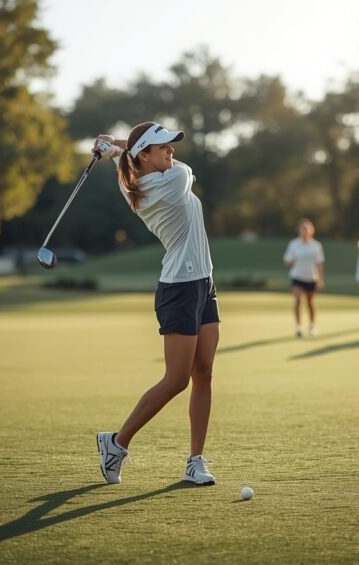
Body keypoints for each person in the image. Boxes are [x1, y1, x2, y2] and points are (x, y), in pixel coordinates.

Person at [91, 122, 218, 486]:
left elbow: (130, 156)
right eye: (163, 146)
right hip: (180, 288)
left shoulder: (135, 179)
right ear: (143, 155)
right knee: (177, 380)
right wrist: (116, 146)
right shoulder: (170, 184)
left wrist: (115, 146)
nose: (172, 151)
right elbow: (183, 170)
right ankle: (117, 442)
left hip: (203, 282)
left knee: (204, 372)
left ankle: (196, 460)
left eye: (170, 145)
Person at [284, 219, 325, 337]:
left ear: (311, 231)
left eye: (307, 228)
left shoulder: (316, 246)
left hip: (311, 277)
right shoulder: (293, 244)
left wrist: (320, 278)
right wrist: (291, 260)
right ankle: (298, 327)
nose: (304, 231)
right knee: (297, 299)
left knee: (310, 302)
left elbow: (319, 263)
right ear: (299, 231)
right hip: (297, 276)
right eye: (302, 228)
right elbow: (287, 261)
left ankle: (312, 326)